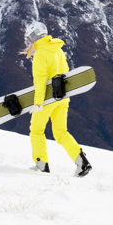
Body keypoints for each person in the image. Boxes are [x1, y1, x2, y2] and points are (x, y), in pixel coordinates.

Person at [22, 21, 92, 177]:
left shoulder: (40, 53)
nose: (28, 42)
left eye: (28, 39)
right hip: (62, 98)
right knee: (61, 132)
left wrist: (38, 103)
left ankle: (42, 165)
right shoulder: (58, 50)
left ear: (34, 37)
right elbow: (65, 73)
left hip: (46, 100)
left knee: (36, 131)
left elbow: (40, 79)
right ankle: (82, 161)